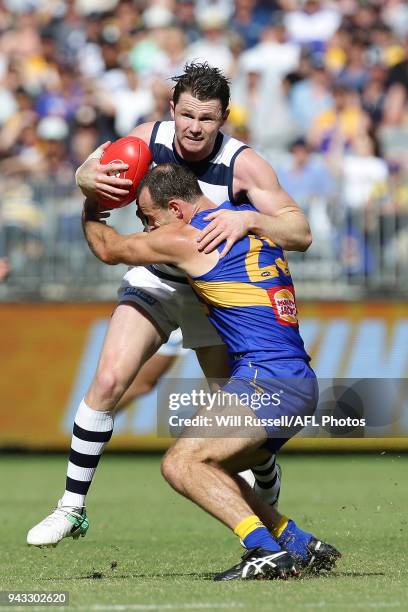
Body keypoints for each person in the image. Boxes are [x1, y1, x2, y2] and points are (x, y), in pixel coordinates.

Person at [27, 62, 311, 547]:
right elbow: (90, 174)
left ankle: (262, 469)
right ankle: (71, 506)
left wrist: (250, 222)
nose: (195, 128)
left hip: (213, 298)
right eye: (187, 116)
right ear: (171, 110)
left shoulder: (245, 164)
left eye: (208, 118)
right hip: (158, 278)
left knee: (235, 406)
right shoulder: (143, 141)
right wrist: (84, 177)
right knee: (110, 379)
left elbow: (299, 231)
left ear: (224, 117)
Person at [79, 163, 340, 580]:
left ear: (178, 209)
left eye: (149, 219)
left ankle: (263, 550)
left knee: (181, 465)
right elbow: (299, 232)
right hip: (297, 380)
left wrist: (92, 206)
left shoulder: (190, 237)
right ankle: (295, 540)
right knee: (213, 467)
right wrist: (255, 215)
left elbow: (110, 249)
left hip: (266, 380)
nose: (148, 230)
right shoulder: (254, 227)